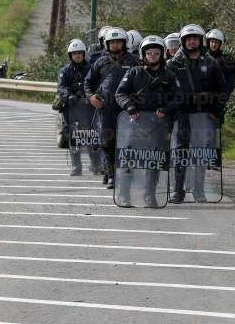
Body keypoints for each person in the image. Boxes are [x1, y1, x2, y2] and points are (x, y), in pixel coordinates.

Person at [115, 36, 181, 207]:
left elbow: (178, 97)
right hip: (134, 123)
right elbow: (119, 93)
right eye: (149, 53)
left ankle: (150, 195)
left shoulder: (169, 75)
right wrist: (129, 106)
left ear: (162, 54)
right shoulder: (133, 72)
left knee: (155, 159)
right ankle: (124, 194)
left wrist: (166, 108)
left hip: (158, 125)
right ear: (143, 54)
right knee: (128, 158)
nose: (152, 55)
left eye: (156, 52)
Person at [167, 24, 227, 203]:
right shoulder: (172, 64)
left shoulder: (211, 63)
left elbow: (221, 90)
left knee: (200, 154)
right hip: (181, 115)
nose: (192, 41)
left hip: (203, 115)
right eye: (188, 38)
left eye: (195, 38)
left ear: (201, 41)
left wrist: (216, 111)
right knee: (179, 153)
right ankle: (178, 191)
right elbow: (165, 90)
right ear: (183, 41)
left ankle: (199, 190)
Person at [84, 27, 140, 189]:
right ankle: (112, 175)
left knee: (128, 143)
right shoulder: (100, 62)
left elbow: (143, 81)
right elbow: (88, 82)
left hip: (128, 109)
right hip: (106, 109)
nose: (116, 45)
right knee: (108, 143)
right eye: (112, 42)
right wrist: (91, 96)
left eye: (118, 42)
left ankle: (126, 175)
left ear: (124, 43)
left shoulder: (134, 61)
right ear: (107, 44)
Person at [57, 39, 102, 176]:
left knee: (91, 136)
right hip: (72, 108)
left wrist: (92, 96)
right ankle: (76, 166)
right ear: (70, 55)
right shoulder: (65, 71)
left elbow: (98, 85)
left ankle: (96, 165)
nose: (77, 55)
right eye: (74, 53)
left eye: (79, 53)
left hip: (89, 108)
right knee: (74, 137)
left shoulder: (91, 69)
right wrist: (69, 95)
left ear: (83, 54)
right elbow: (61, 87)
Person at [206, 28, 235, 98]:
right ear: (208, 42)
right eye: (212, 41)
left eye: (217, 42)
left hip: (219, 99)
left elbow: (231, 81)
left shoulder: (228, 60)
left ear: (220, 44)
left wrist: (223, 97)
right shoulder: (201, 58)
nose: (214, 44)